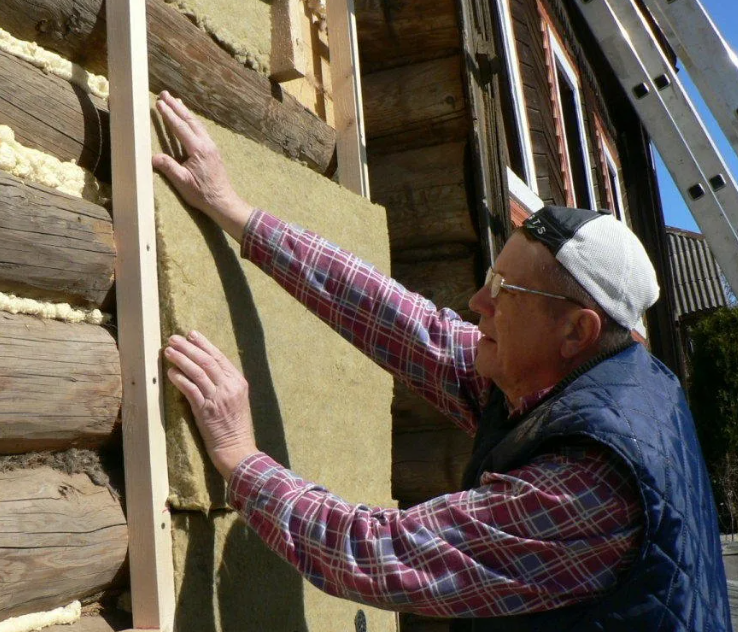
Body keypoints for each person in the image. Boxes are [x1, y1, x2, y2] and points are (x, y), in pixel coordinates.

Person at [152, 91, 731, 629]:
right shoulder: (573, 378)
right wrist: (235, 211)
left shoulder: (593, 483)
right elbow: (400, 323)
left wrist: (239, 457)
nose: (478, 302)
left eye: (505, 290)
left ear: (576, 330)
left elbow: (382, 555)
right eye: (490, 278)